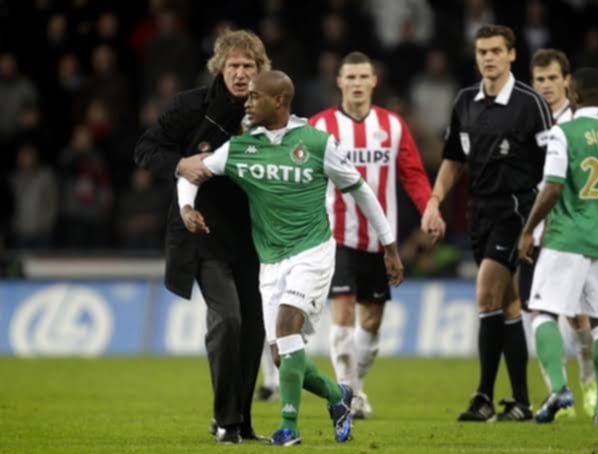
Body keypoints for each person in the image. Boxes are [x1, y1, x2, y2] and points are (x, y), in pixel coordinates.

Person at [177, 70, 405, 445]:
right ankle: (338, 396)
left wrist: (389, 246)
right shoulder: (241, 148)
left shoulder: (317, 143)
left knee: (286, 329)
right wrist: (187, 208)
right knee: (283, 356)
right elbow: (191, 173)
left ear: (280, 101)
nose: (247, 103)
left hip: (313, 252)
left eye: (255, 97)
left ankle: (289, 427)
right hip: (271, 260)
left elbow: (361, 191)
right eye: (247, 97)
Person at [134, 29, 269, 444]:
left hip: (251, 235)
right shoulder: (188, 107)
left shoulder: (269, 110)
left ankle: (241, 422)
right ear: (220, 67)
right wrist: (180, 164)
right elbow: (145, 150)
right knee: (228, 319)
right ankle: (226, 421)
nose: (242, 73)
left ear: (260, 70)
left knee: (254, 331)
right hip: (202, 233)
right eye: (235, 66)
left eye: (249, 66)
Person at [421, 24, 552, 422]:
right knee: (508, 303)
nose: (488, 58)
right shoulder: (465, 101)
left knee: (485, 294)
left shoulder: (531, 103)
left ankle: (482, 396)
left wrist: (538, 225)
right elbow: (454, 160)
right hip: (479, 212)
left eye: (496, 50)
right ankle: (522, 402)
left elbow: (553, 169)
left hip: (516, 213)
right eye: (482, 51)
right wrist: (433, 201)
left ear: (512, 54)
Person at [309, 51, 439, 418]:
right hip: (336, 236)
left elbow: (412, 173)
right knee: (343, 312)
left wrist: (429, 206)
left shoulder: (393, 126)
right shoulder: (320, 127)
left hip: (381, 240)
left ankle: (358, 387)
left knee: (372, 324)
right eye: (349, 77)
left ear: (373, 81)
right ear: (339, 82)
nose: (356, 83)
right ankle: (345, 394)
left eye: (362, 77)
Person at [518, 67, 598, 424]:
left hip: (564, 240)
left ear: (573, 96)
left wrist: (528, 230)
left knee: (543, 312)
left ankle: (559, 388)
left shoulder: (564, 133)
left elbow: (554, 186)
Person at [526, 48, 596, 418]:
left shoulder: (582, 121)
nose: (547, 86)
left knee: (577, 315)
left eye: (553, 78)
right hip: (535, 230)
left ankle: (588, 381)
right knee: (540, 311)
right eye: (540, 80)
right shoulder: (530, 119)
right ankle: (559, 391)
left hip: (575, 229)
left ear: (567, 80)